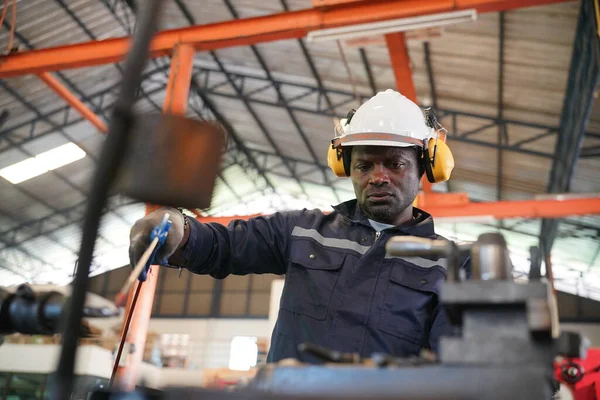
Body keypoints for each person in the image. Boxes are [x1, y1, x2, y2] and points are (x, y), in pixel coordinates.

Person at [129, 89, 466, 364]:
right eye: (364, 164)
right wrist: (176, 228)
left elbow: (448, 370)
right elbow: (222, 245)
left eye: (395, 164)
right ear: (344, 167)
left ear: (427, 165)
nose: (378, 177)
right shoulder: (303, 231)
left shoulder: (449, 264)